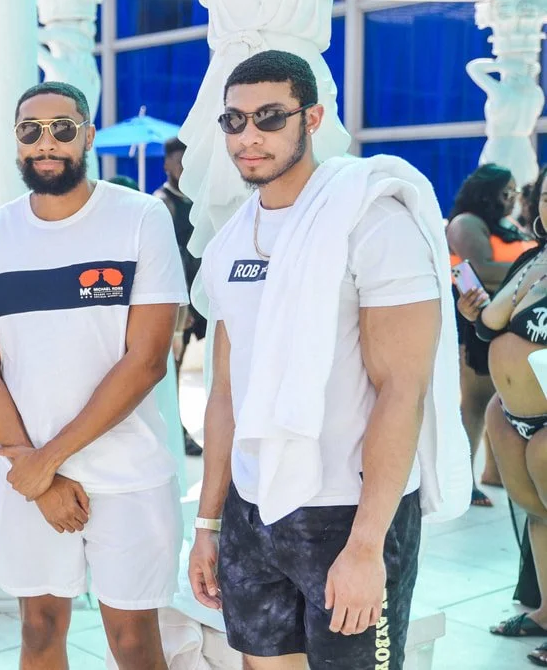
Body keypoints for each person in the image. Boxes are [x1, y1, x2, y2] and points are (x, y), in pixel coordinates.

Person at [188, 50, 461, 670]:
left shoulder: (370, 221)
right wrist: (208, 524)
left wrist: (367, 546)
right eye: (234, 121)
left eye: (270, 117)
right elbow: (224, 393)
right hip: (253, 512)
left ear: (310, 118)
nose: (249, 135)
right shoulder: (232, 239)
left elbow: (402, 390)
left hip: (347, 513)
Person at [0, 81, 187, 670]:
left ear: (86, 136)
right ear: (15, 143)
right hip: (29, 473)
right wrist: (34, 472)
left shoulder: (140, 218)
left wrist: (47, 461)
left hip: (127, 472)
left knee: (134, 644)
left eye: (63, 128)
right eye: (30, 131)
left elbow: (146, 360)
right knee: (39, 631)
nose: (46, 142)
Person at [458, 165, 547, 667]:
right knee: (537, 516)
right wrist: (476, 312)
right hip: (509, 415)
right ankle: (543, 612)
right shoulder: (532, 261)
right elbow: (493, 327)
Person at [447, 163, 535, 505]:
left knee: (501, 402)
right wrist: (531, 272)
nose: (512, 199)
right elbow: (480, 268)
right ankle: (461, 483)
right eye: (505, 192)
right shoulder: (466, 223)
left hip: (509, 321)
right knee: (474, 404)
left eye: (514, 192)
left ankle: (493, 474)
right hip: (475, 321)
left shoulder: (507, 226)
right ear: (486, 191)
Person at [156, 136, 207, 457]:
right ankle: (174, 431)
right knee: (169, 370)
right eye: (179, 161)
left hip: (198, 299)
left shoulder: (195, 199)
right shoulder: (162, 202)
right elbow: (165, 259)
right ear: (167, 165)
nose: (184, 167)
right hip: (175, 304)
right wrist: (179, 307)